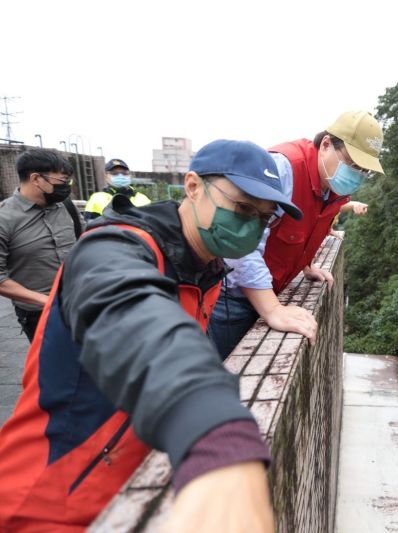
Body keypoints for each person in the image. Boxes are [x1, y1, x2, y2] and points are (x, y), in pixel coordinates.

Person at [0, 140, 302, 532]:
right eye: (242, 209)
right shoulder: (113, 249)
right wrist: (216, 430)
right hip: (51, 503)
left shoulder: (205, 265)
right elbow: (142, 325)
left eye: (263, 219)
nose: (250, 226)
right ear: (192, 187)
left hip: (127, 496)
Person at [207, 111, 384, 358]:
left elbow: (306, 225)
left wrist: (306, 264)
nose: (356, 174)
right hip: (233, 298)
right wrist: (272, 309)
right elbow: (238, 244)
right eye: (352, 164)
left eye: (363, 170)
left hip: (271, 288)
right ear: (325, 145)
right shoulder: (283, 169)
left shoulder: (332, 189)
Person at [0, 149, 81, 341]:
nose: (66, 187)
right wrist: (46, 301)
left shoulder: (66, 207)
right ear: (36, 179)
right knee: (53, 367)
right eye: (62, 181)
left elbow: (82, 243)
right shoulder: (4, 218)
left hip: (78, 302)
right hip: (39, 314)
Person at [84, 158, 151, 220]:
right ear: (106, 177)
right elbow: (89, 225)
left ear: (130, 176)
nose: (120, 176)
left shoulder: (143, 199)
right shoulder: (97, 198)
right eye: (115, 173)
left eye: (124, 173)